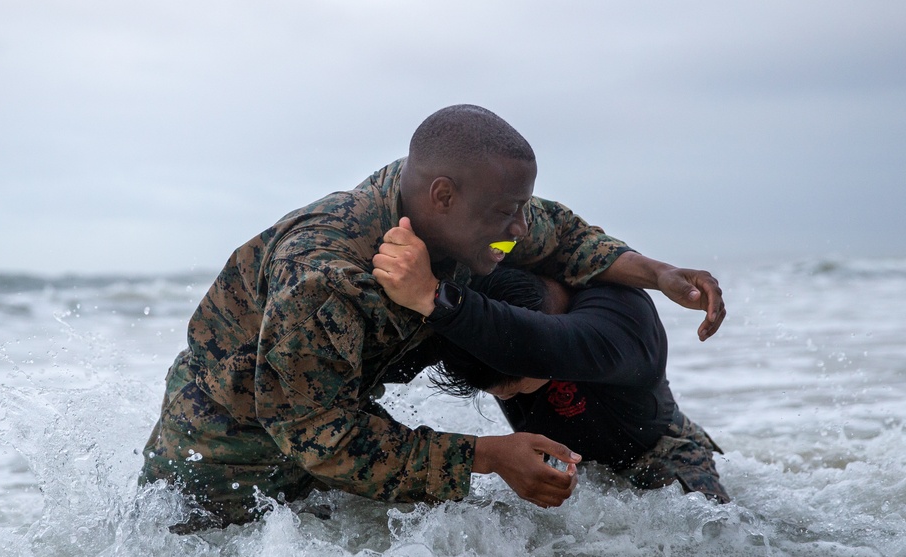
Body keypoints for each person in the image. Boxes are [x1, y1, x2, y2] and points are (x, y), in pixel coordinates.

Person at [140, 104, 726, 528]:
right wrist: (488, 455)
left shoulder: (469, 218)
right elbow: (319, 432)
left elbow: (562, 236)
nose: (518, 228)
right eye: (507, 213)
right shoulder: (324, 277)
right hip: (219, 479)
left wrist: (658, 274)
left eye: (520, 209)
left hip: (318, 462)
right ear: (442, 195)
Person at [374, 259, 729, 503]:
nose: (506, 396)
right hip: (578, 467)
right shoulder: (494, 299)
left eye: (514, 386)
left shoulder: (623, 319)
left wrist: (432, 296)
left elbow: (539, 338)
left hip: (660, 453)